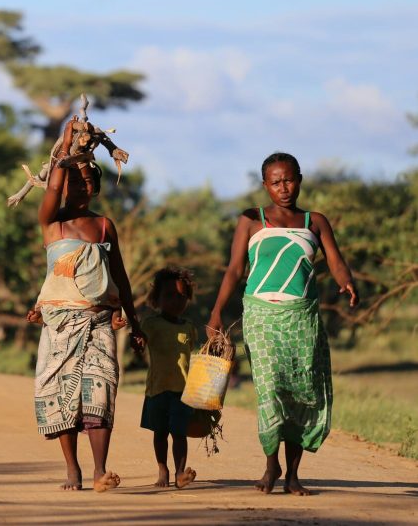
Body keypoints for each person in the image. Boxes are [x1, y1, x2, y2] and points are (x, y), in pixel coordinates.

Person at [207, 152, 359, 496]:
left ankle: (292, 475)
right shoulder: (251, 220)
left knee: (301, 394)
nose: (283, 188)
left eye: (289, 180)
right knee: (271, 388)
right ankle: (270, 463)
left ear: (300, 179)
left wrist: (346, 281)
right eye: (275, 182)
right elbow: (234, 270)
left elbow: (335, 261)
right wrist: (217, 311)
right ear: (265, 185)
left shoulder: (315, 222)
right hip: (260, 315)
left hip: (303, 318)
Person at [26, 116, 145, 492]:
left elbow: (121, 277)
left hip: (99, 322)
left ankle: (99, 470)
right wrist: (66, 144)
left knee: (102, 389)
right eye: (76, 181)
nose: (84, 186)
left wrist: (134, 320)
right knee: (63, 395)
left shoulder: (104, 226)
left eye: (90, 181)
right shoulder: (52, 224)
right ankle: (72, 470)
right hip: (60, 325)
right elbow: (53, 187)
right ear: (62, 185)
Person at [140, 266, 198, 489]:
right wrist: (137, 341)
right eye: (169, 296)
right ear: (157, 299)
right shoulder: (151, 324)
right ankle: (162, 469)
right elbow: (142, 340)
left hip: (183, 390)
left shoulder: (189, 327)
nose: (176, 301)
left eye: (181, 296)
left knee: (180, 433)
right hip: (157, 389)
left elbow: (193, 354)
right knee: (160, 433)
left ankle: (180, 472)